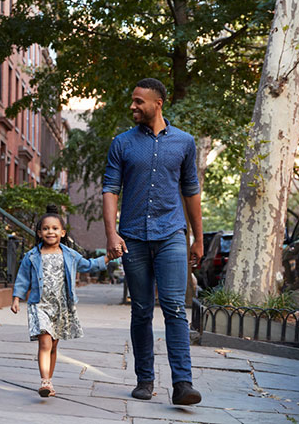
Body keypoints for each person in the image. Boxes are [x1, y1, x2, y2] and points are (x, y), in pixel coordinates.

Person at [102, 78, 204, 405]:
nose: (132, 106)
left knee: (174, 307)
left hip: (172, 234)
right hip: (133, 237)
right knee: (142, 309)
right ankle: (144, 379)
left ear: (158, 103)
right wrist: (111, 233)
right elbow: (110, 190)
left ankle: (183, 384)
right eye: (132, 100)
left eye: (138, 101)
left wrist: (198, 238)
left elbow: (191, 191)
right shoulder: (122, 143)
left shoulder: (184, 142)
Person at [10, 209, 108, 397]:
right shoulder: (32, 256)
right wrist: (16, 298)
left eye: (55, 228)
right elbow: (22, 278)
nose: (50, 232)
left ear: (62, 232)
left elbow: (88, 265)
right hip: (40, 305)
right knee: (45, 343)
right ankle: (44, 381)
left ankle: (49, 382)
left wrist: (108, 258)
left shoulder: (70, 255)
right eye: (46, 228)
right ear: (39, 233)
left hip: (61, 307)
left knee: (53, 346)